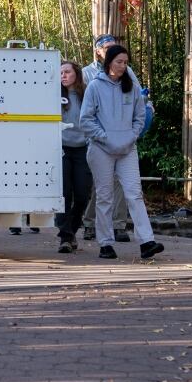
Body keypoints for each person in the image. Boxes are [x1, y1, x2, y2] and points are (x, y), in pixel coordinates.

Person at [80, 45, 164, 259]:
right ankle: (105, 243)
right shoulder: (94, 87)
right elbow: (86, 120)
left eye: (126, 62)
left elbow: (140, 117)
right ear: (108, 62)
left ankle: (147, 241)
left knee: (134, 194)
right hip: (101, 149)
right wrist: (105, 137)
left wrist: (131, 136)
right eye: (119, 62)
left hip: (127, 149)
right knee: (105, 196)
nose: (123, 66)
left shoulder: (132, 87)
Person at [81, 34, 136, 242]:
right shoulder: (87, 74)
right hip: (97, 138)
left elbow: (137, 97)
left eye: (115, 48)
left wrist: (135, 129)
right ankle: (89, 222)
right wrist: (100, 135)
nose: (113, 51)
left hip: (122, 137)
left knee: (122, 183)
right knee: (100, 185)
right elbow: (85, 109)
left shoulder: (126, 71)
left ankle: (119, 224)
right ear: (98, 51)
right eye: (108, 48)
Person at [56, 61, 92, 253]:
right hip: (61, 149)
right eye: (60, 72)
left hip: (82, 149)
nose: (63, 75)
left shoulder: (86, 94)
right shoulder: (53, 95)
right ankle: (65, 237)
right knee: (64, 193)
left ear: (76, 74)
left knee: (81, 195)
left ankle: (71, 231)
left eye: (67, 72)